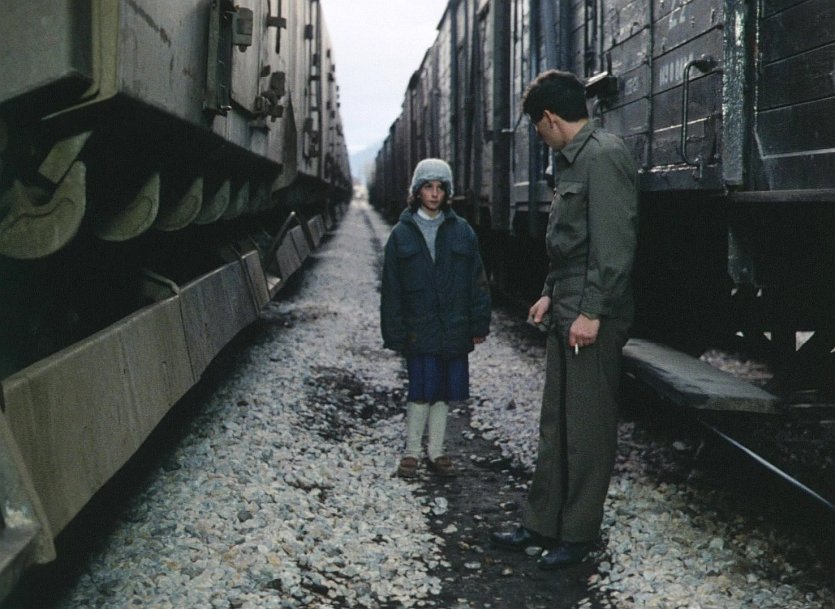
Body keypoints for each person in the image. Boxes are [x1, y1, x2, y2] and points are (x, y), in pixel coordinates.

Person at [491, 70, 638, 568]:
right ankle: (541, 524)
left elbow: (613, 247)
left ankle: (577, 535)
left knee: (587, 426)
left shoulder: (604, 156)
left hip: (593, 306)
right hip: (569, 300)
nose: (539, 136)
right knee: (556, 422)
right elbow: (569, 242)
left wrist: (592, 312)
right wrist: (550, 294)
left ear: (550, 118)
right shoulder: (574, 159)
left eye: (538, 127)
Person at [380, 158, 491, 479]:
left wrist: (478, 323)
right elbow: (391, 289)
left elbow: (477, 281)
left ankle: (437, 451)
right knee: (420, 389)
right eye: (427, 187)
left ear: (447, 192)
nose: (433, 194)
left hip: (453, 326)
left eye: (440, 188)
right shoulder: (401, 234)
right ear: (417, 191)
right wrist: (394, 332)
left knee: (443, 392)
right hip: (419, 328)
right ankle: (412, 452)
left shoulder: (462, 231)